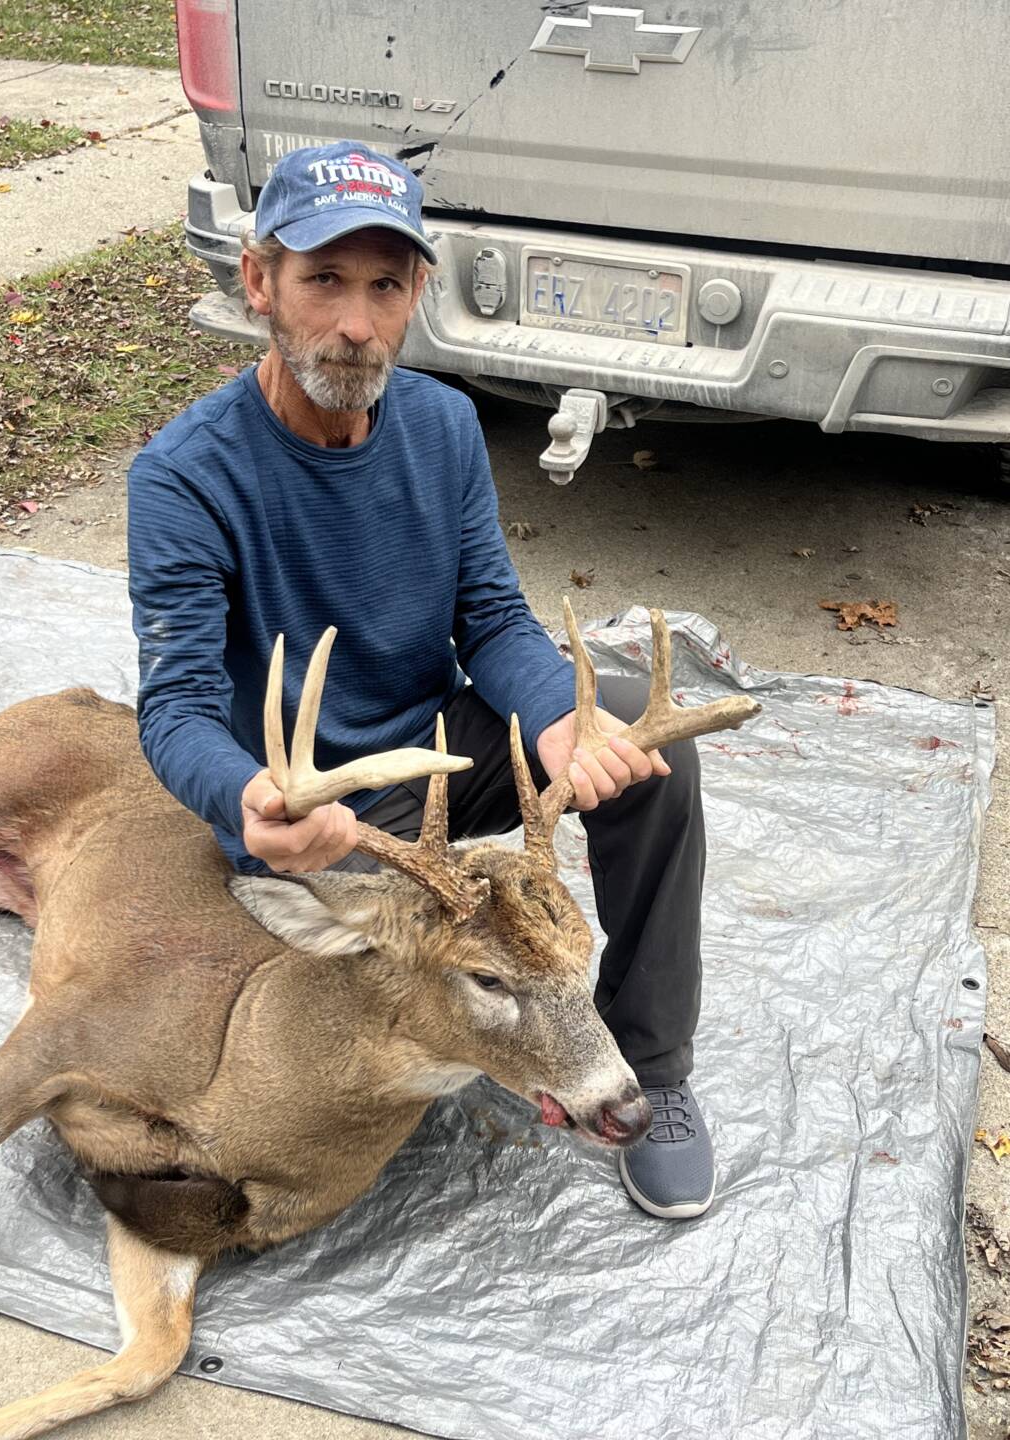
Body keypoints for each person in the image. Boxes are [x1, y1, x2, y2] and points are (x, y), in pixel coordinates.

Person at [126, 141, 713, 1220]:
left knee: (642, 741)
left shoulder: (440, 425)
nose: (356, 323)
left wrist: (557, 719)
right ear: (259, 282)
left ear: (416, 297)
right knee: (399, 986)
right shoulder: (185, 476)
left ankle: (653, 1066)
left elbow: (490, 615)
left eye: (385, 287)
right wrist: (248, 798)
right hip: (318, 811)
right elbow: (176, 705)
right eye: (324, 280)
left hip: (436, 750)